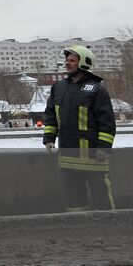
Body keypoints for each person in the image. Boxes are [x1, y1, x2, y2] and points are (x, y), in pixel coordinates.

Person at [42, 45, 116, 212]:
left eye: (72, 60)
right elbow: (51, 115)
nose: (67, 63)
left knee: (102, 198)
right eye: (66, 60)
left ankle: (109, 228)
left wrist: (104, 147)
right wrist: (49, 139)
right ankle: (80, 231)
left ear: (83, 63)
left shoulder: (97, 90)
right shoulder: (58, 88)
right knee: (74, 200)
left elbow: (107, 122)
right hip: (68, 156)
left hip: (93, 157)